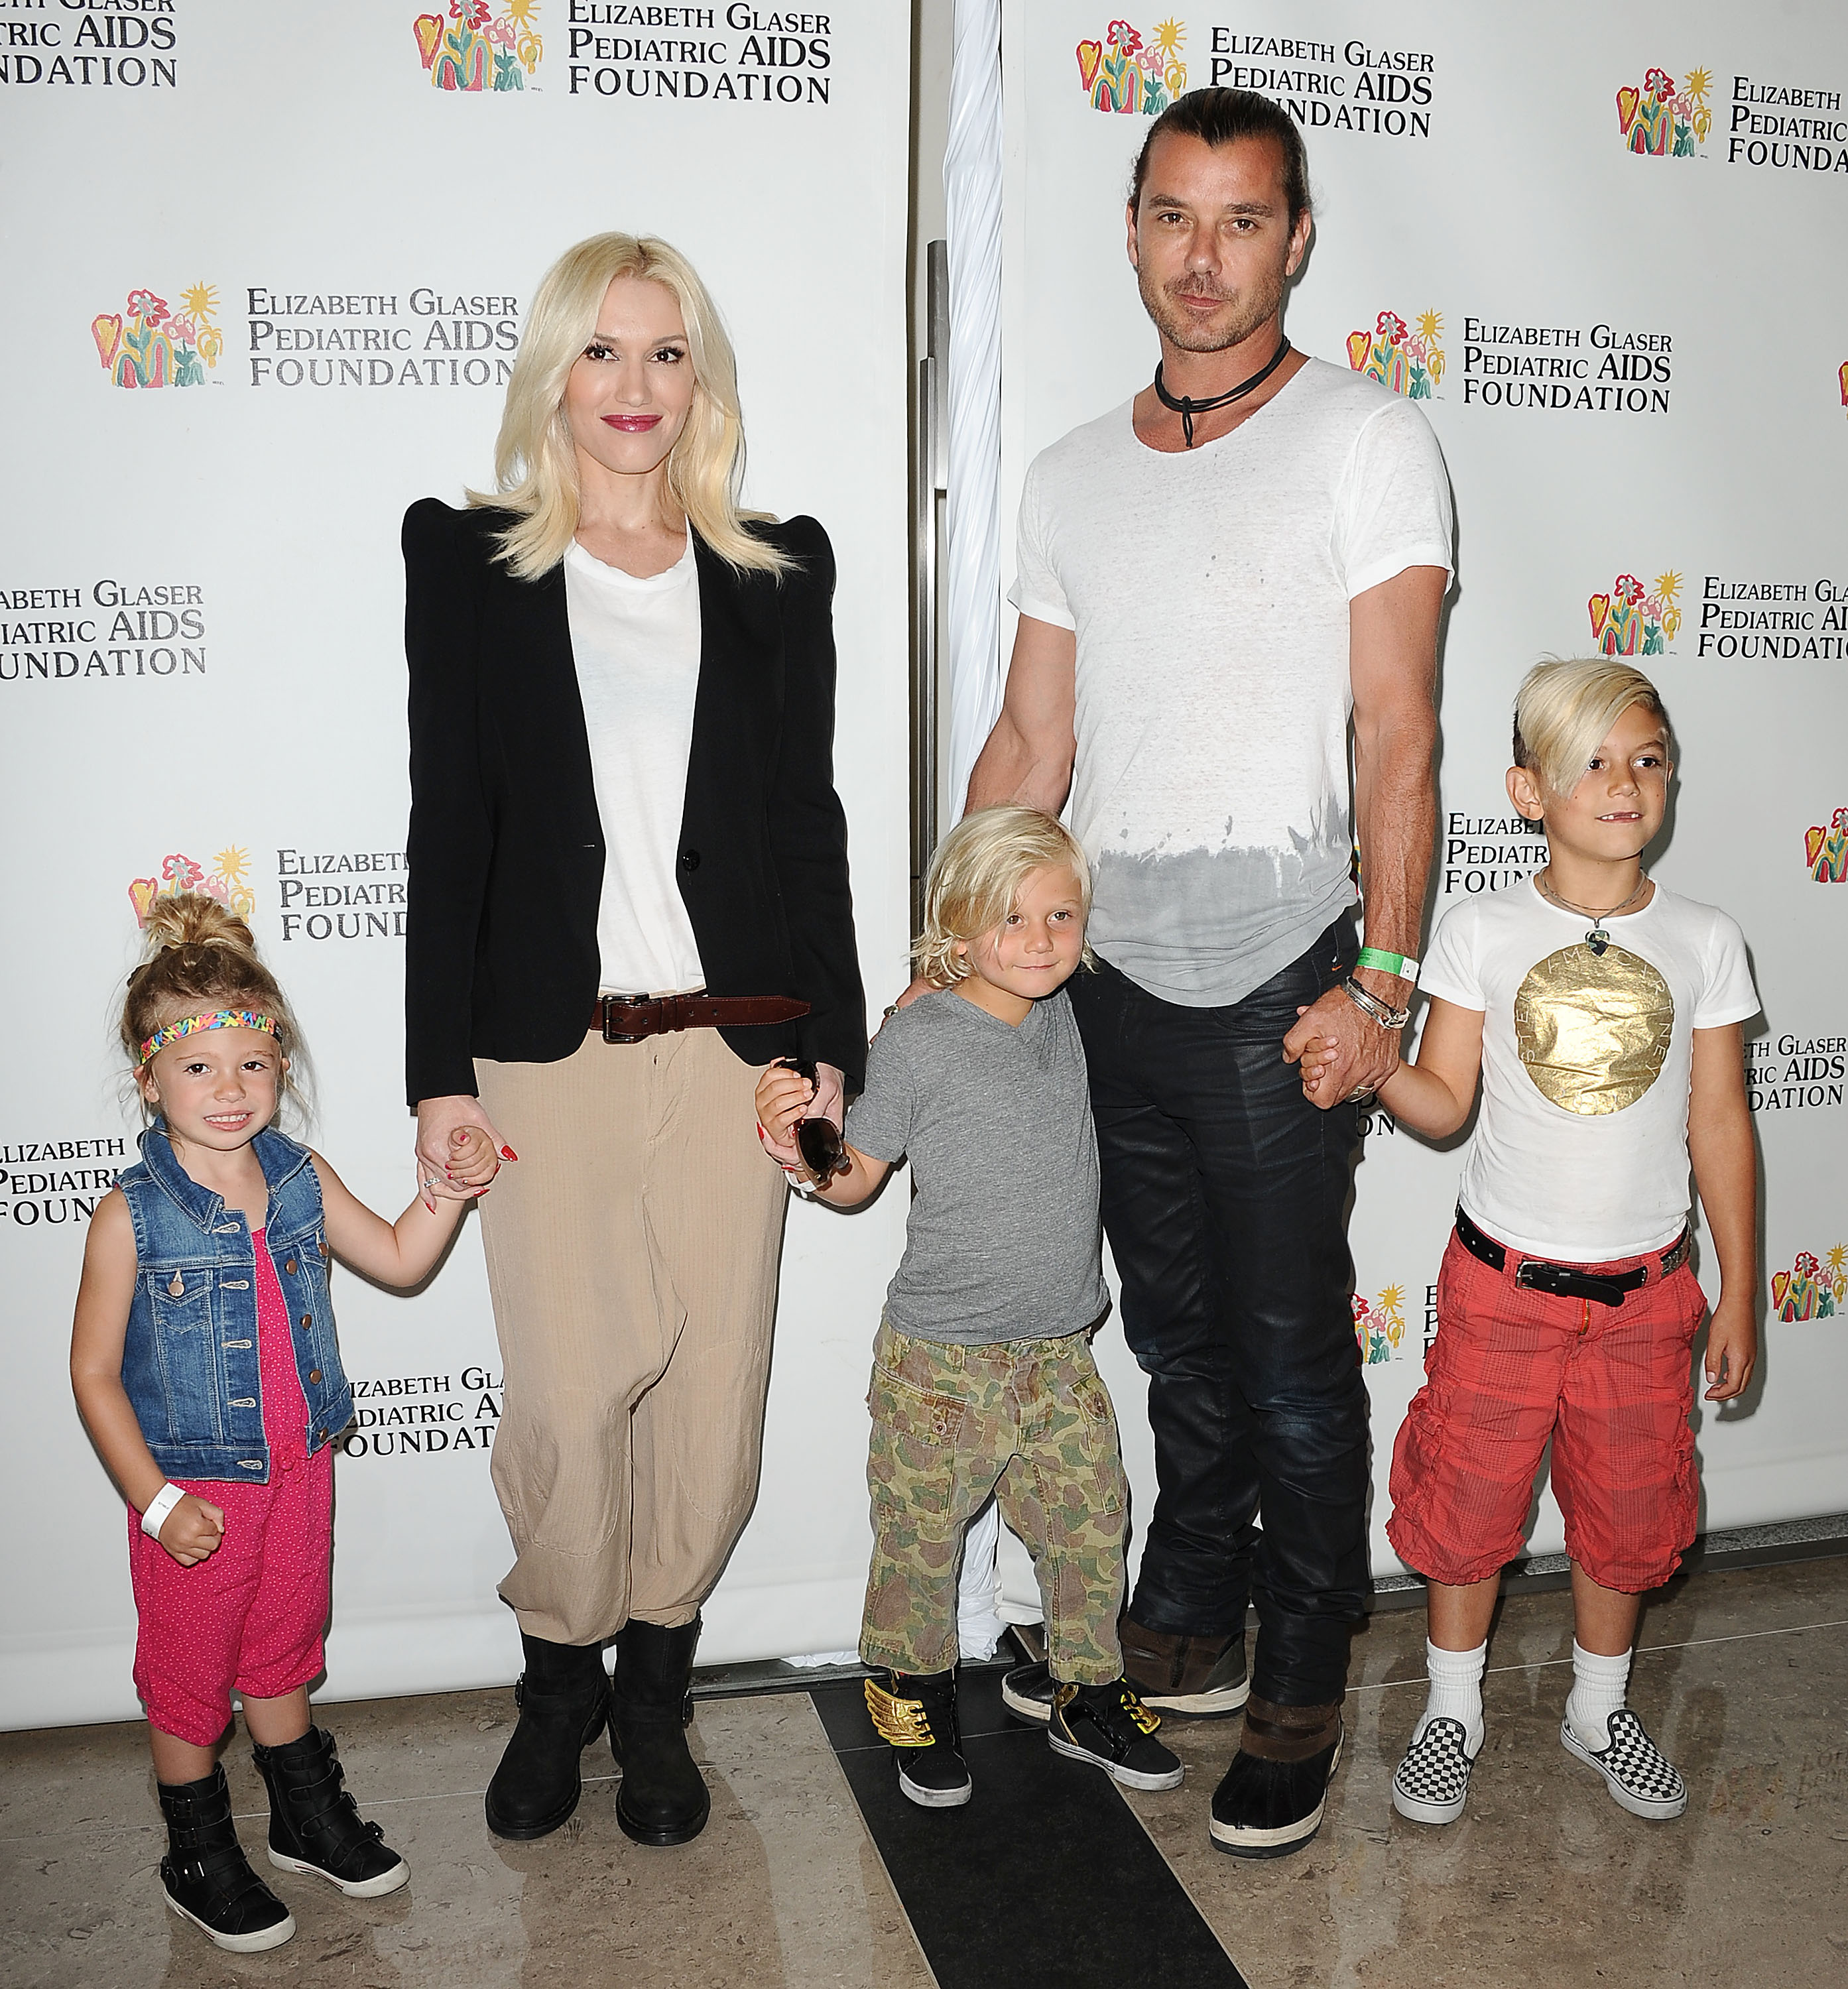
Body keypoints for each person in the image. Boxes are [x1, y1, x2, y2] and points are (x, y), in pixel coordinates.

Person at [967, 87, 1453, 1856]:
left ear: (1295, 238)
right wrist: (957, 966)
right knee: (1173, 1335)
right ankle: (1184, 1608)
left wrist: (1380, 987)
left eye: (1240, 219)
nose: (1202, 254)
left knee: (1284, 1349)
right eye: (1171, 214)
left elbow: (1397, 740)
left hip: (1277, 982)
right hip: (1107, 983)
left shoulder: (1363, 437)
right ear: (1129, 230)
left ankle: (1306, 1657)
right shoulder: (1068, 476)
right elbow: (1030, 742)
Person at [402, 232, 864, 1849]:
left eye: (666, 354)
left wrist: (831, 1063)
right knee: (570, 1385)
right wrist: (436, 1073)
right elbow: (446, 825)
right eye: (602, 352)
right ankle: (557, 1677)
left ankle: (656, 1693)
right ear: (553, 372)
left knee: (715, 1384)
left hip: (737, 1047)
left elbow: (808, 833)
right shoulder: (471, 562)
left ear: (701, 381)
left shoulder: (774, 573)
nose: (633, 387)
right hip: (545, 1052)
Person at [1302, 660, 1758, 1827]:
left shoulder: (1706, 939)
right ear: (1526, 789)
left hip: (1647, 1295)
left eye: (1646, 759)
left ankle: (1599, 1709)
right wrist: (1375, 1066)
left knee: (1629, 1507)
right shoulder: (1482, 931)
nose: (1624, 784)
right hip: (1502, 1287)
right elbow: (1446, 1103)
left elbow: (1720, 1123)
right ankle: (1453, 1708)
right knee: (1467, 1499)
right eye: (1592, 763)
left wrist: (1743, 1290)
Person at [70, 894, 482, 1953]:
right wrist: (156, 1504)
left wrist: (448, 1189)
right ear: (148, 1078)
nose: (229, 1089)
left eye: (253, 1064)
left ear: (281, 1070)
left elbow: (397, 1256)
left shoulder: (298, 1178)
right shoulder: (133, 1214)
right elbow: (93, 1373)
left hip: (301, 1470)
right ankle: (197, 1849)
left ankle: (303, 1812)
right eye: (199, 1067)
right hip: (195, 1494)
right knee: (189, 1670)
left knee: (285, 1648)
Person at [755, 807, 1182, 1808]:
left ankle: (1087, 1691)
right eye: (1011, 920)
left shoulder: (1072, 1016)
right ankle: (913, 1693)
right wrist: (803, 1149)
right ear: (956, 929)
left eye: (1061, 916)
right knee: (920, 1540)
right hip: (939, 1362)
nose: (1040, 942)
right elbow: (857, 1175)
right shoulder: (917, 1042)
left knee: (1090, 1524)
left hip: (1059, 1353)